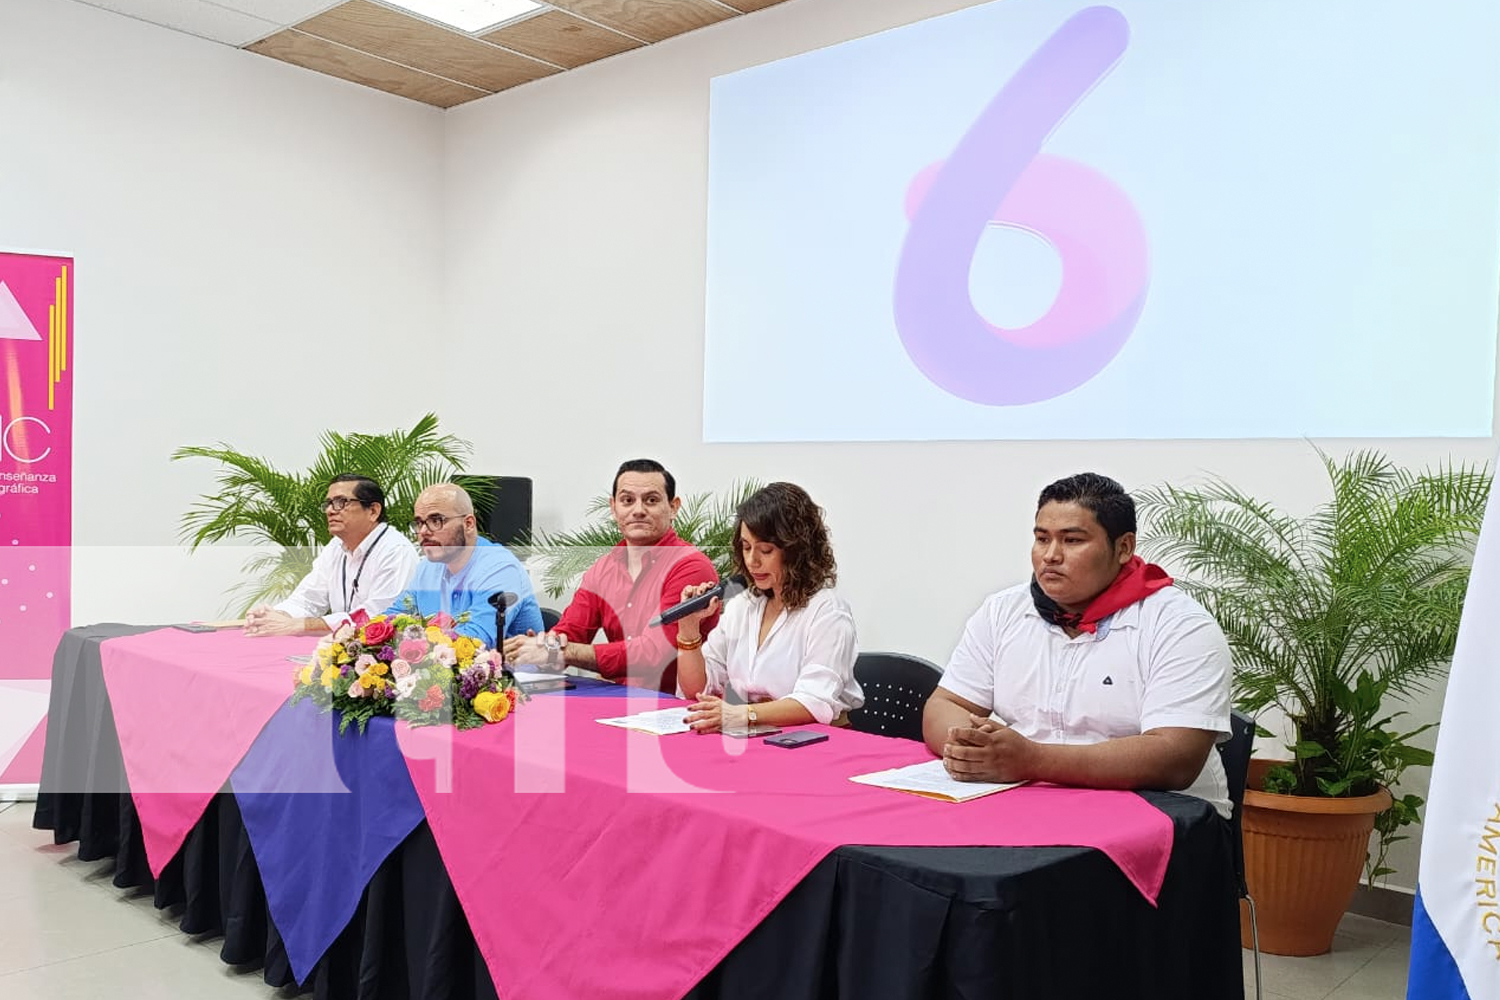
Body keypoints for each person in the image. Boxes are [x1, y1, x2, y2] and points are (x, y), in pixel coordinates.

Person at [922, 472, 1232, 816]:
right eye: (1042, 539)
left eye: (1072, 541)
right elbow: (944, 705)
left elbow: (1176, 758)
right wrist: (978, 747)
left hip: (1161, 812)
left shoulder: (1179, 625)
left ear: (1124, 548)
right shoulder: (1002, 611)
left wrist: (1032, 760)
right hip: (1031, 800)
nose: (1050, 555)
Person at [503, 459, 720, 693]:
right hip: (619, 704)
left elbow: (652, 655)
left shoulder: (690, 566)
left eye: (651, 500)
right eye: (627, 500)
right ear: (614, 507)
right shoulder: (604, 568)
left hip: (681, 710)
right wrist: (540, 646)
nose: (638, 510)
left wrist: (560, 651)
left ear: (674, 506)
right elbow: (571, 631)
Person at [674, 482, 862, 733]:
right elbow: (697, 691)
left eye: (766, 550)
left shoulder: (827, 611)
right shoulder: (744, 604)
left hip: (814, 740)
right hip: (750, 733)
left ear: (796, 551)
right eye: (746, 547)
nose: (752, 561)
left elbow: (814, 702)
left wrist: (741, 714)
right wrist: (688, 630)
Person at [245, 474, 419, 637]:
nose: (330, 511)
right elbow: (308, 598)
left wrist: (300, 625)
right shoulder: (336, 546)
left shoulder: (396, 550)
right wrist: (276, 616)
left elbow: (378, 617)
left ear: (373, 511)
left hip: (388, 656)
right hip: (344, 650)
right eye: (328, 503)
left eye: (341, 502)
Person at [388, 482, 543, 648]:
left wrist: (411, 642)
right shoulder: (427, 566)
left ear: (468, 524)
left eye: (436, 521)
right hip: (437, 670)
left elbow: (476, 641)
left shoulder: (500, 568)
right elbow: (394, 617)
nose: (424, 531)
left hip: (508, 672)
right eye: (419, 523)